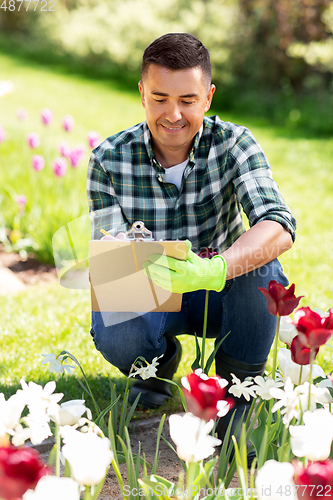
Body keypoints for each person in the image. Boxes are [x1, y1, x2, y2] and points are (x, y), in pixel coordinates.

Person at [87, 33, 296, 459]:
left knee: (263, 267)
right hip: (153, 290)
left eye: (188, 99)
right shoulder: (108, 158)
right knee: (116, 328)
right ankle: (157, 365)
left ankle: (237, 397)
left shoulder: (234, 143)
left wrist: (216, 267)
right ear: (142, 92)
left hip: (226, 293)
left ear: (208, 97)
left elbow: (279, 224)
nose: (173, 114)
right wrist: (119, 262)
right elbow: (108, 261)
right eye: (160, 97)